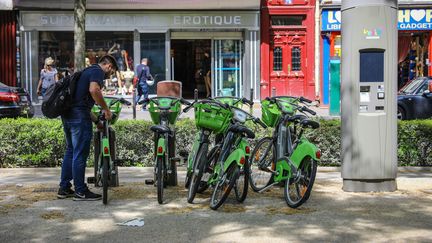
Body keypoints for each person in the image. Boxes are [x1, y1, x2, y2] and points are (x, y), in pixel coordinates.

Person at [57, 55, 118, 201]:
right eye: (112, 72)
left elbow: (80, 104)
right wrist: (106, 109)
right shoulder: (98, 72)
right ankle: (80, 191)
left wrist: (97, 121)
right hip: (79, 117)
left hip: (68, 114)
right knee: (79, 153)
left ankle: (64, 188)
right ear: (109, 66)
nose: (110, 76)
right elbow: (94, 90)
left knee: (71, 150)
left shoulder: (87, 71)